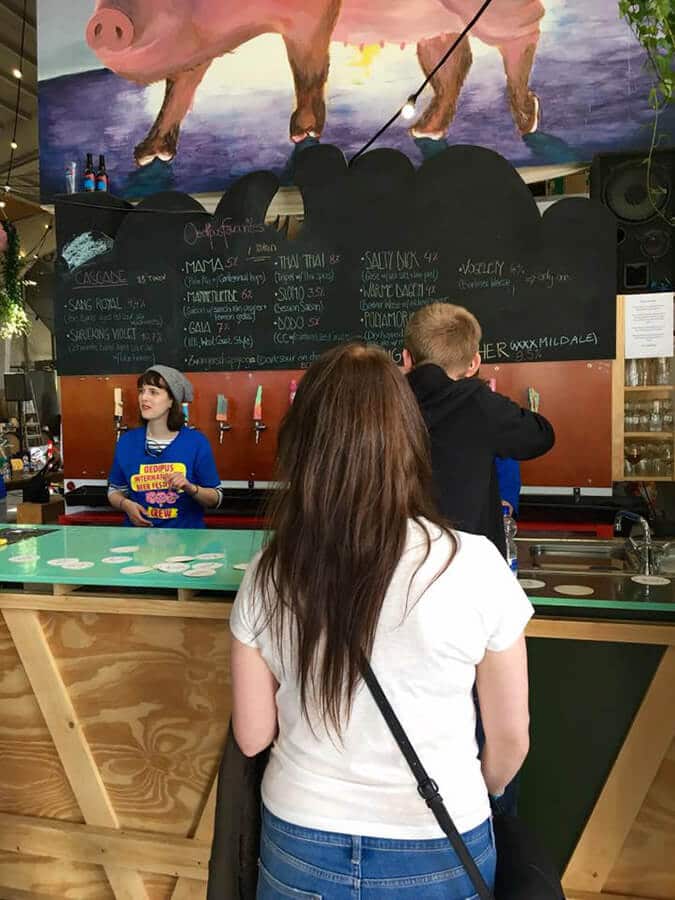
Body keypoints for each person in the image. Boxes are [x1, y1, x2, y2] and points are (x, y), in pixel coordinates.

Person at [230, 343, 532, 899]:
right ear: (408, 437)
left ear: (300, 445)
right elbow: (511, 740)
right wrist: (469, 792)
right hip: (441, 845)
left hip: (301, 840)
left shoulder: (269, 570)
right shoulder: (474, 563)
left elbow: (252, 738)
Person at [403, 303, 554, 556]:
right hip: (469, 565)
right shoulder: (480, 405)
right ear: (473, 363)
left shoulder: (385, 402)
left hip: (402, 564)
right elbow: (541, 435)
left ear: (407, 359)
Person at [108, 365, 221, 528]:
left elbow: (216, 498)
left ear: (171, 401)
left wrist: (190, 487)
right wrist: (125, 504)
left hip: (187, 544)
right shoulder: (127, 442)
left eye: (153, 392)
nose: (144, 398)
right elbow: (114, 491)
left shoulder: (196, 442)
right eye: (142, 391)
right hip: (139, 544)